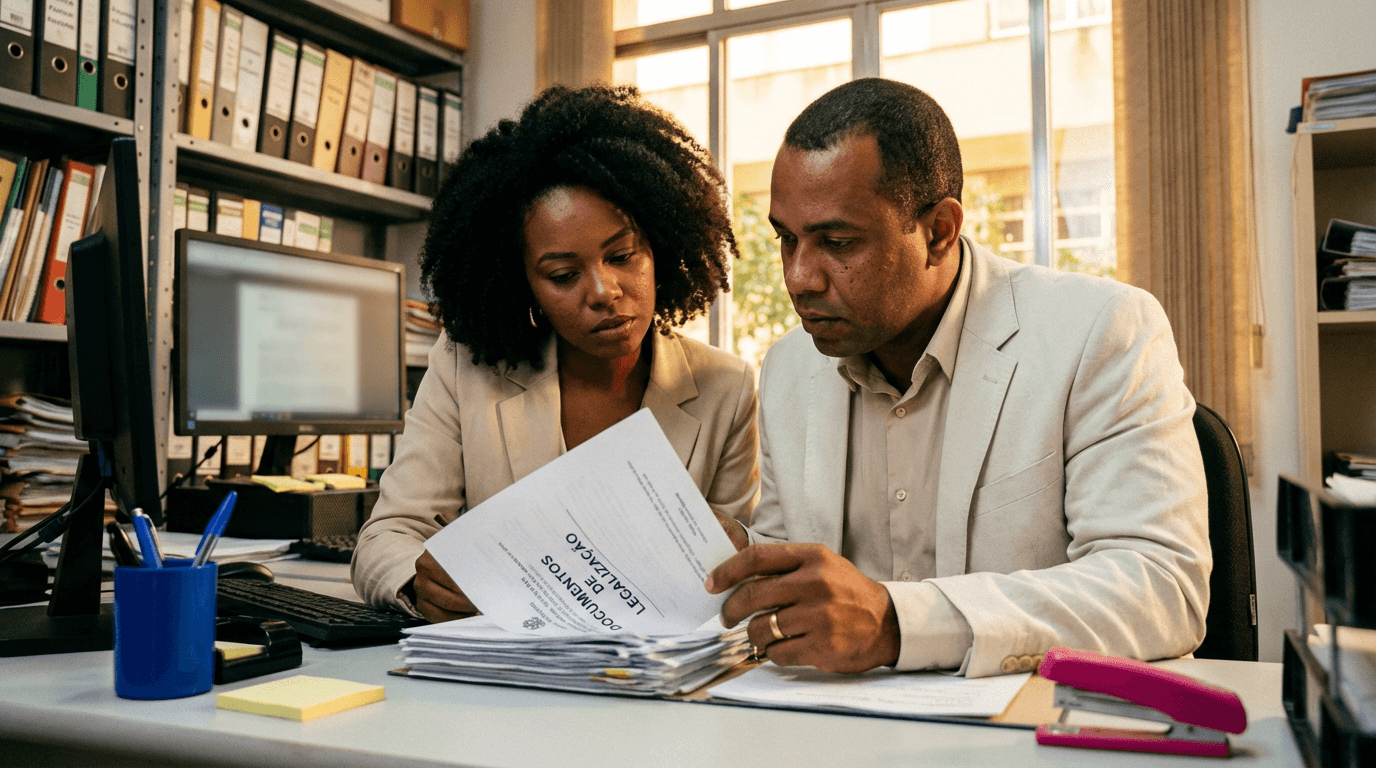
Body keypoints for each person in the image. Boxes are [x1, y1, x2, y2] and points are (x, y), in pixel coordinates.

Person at [705, 78, 1210, 678]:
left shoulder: (1100, 331)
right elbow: (802, 584)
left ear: (940, 232)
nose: (799, 278)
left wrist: (899, 622)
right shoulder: (791, 368)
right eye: (786, 239)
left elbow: (1159, 588)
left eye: (837, 242)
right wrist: (743, 560)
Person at [354, 85, 758, 622]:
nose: (603, 291)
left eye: (623, 256)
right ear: (522, 284)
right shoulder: (466, 369)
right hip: (500, 679)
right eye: (563, 275)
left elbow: (743, 563)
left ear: (661, 246)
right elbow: (388, 534)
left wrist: (740, 544)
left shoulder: (725, 389)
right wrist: (418, 580)